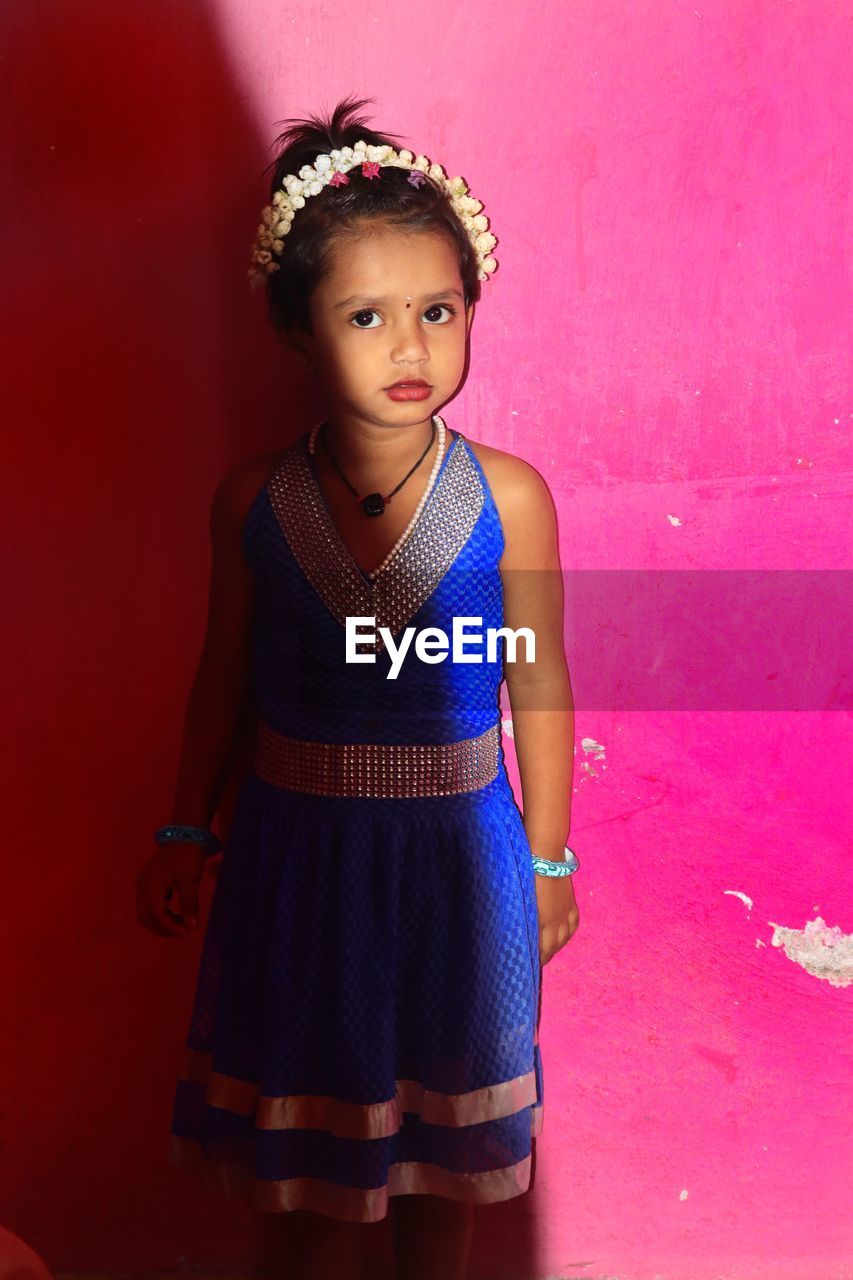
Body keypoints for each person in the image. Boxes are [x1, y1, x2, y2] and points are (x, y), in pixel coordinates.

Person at [136, 94, 580, 1280]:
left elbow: (535, 684)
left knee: (446, 1167)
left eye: (436, 312)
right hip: (298, 861)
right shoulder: (252, 501)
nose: (408, 348)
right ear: (297, 328)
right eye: (366, 316)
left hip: (456, 864)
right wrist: (187, 824)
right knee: (310, 1185)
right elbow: (221, 670)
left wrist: (547, 856)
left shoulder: (510, 500)